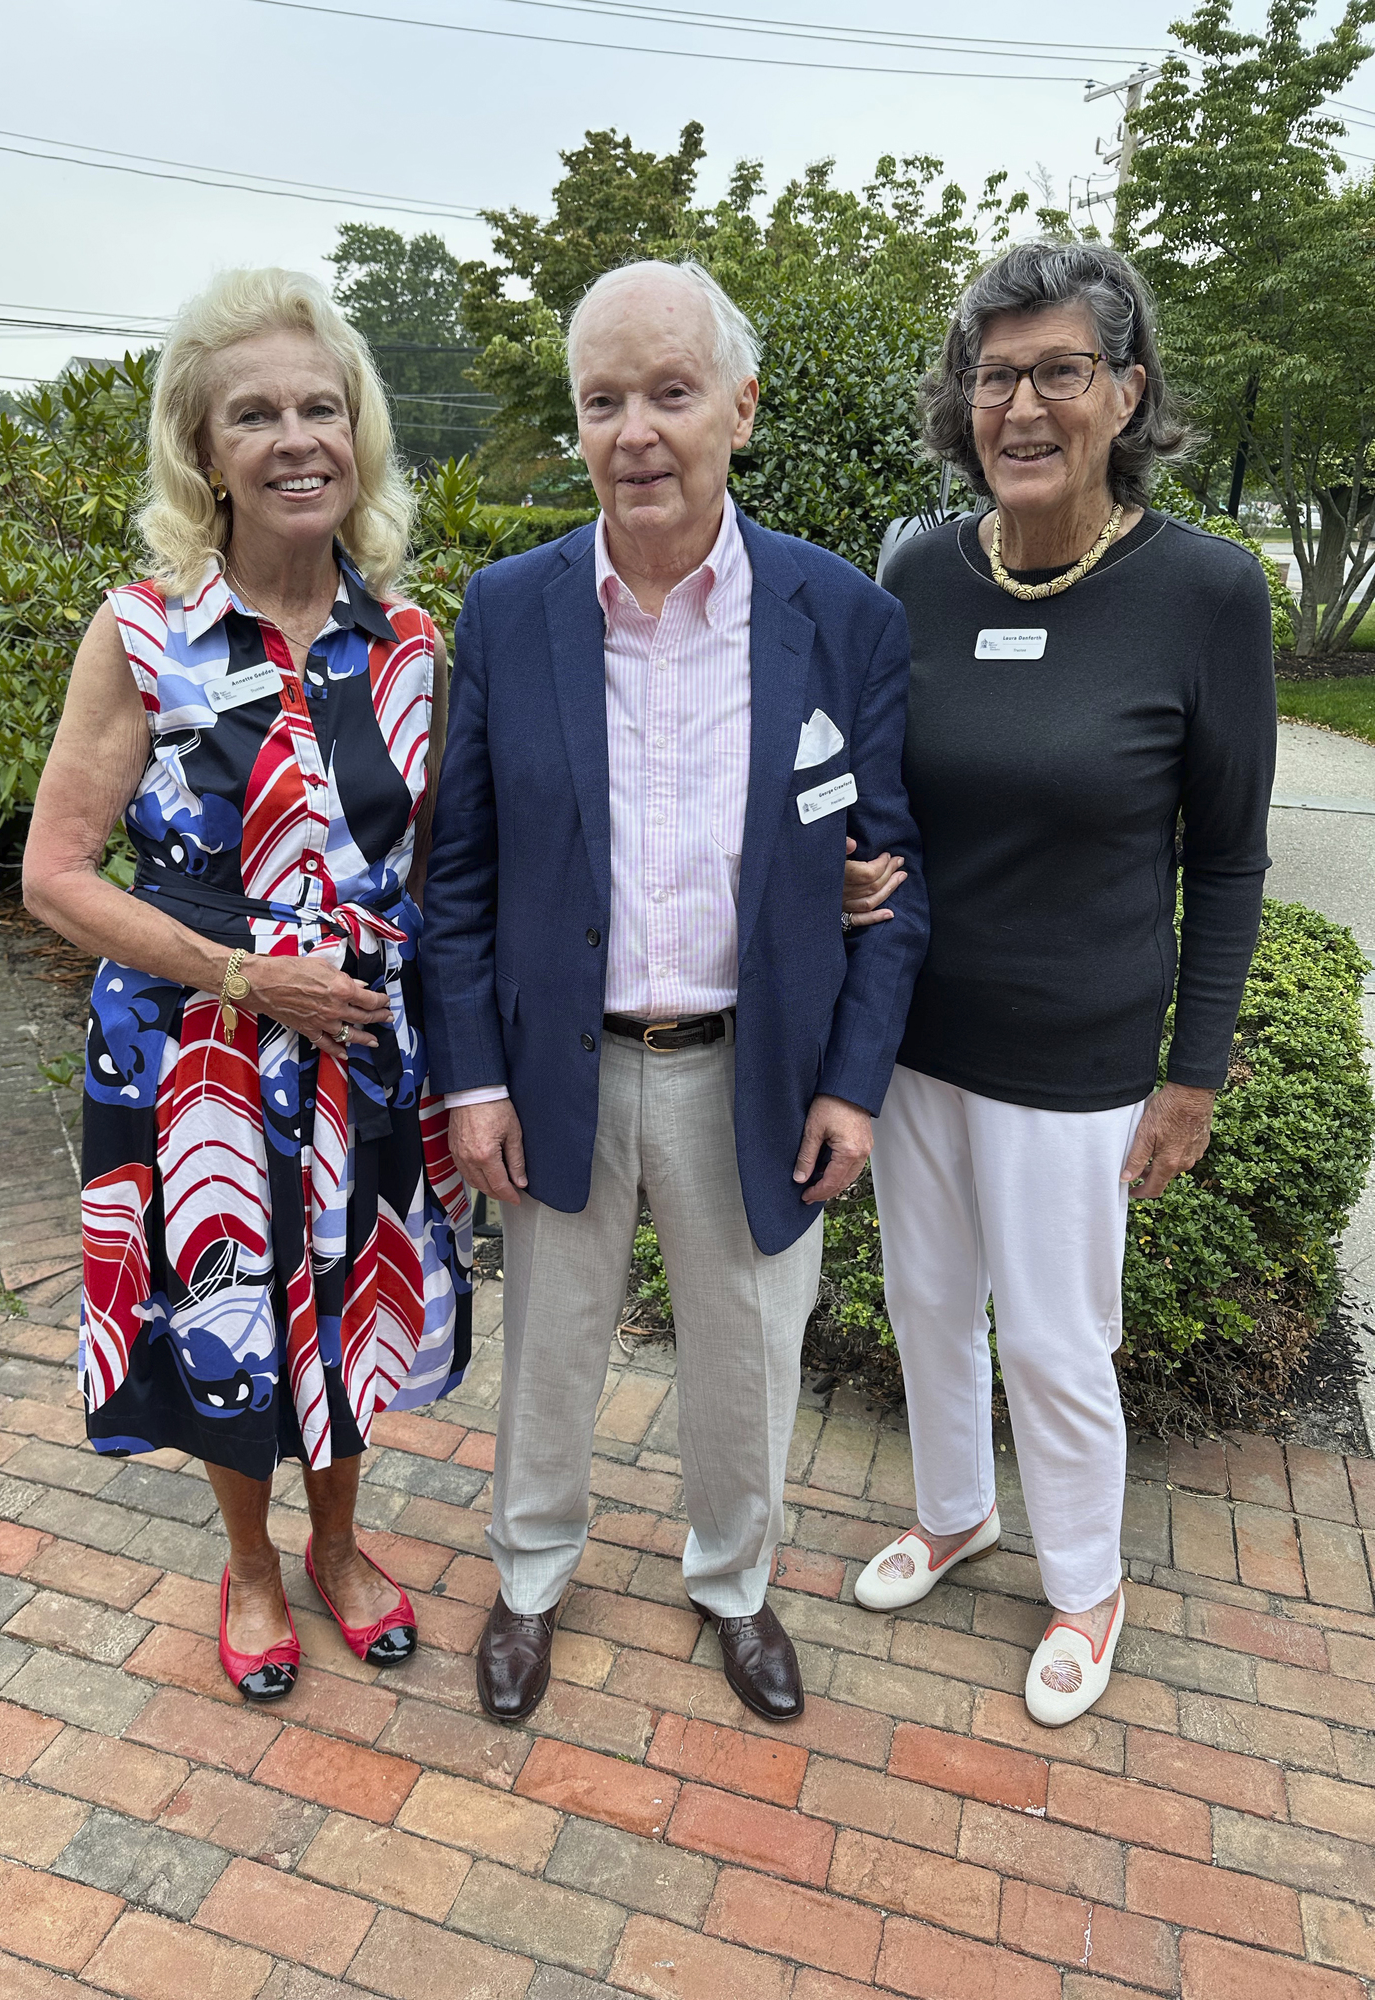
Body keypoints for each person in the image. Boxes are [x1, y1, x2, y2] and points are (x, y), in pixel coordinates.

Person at [421, 259, 928, 1725]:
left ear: (741, 408)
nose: (635, 430)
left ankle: (737, 1583)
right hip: (560, 1061)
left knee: (750, 1356)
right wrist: (471, 1082)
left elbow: (893, 880)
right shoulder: (510, 611)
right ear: (578, 425)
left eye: (671, 391)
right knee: (549, 1354)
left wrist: (852, 1080)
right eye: (603, 400)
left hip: (754, 1067)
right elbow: (460, 880)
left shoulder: (842, 617)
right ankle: (528, 1579)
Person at [23, 269, 472, 1703]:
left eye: (321, 407)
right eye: (256, 413)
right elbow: (58, 876)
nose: (296, 438)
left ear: (361, 435)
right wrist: (240, 974)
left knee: (350, 1309)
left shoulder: (413, 645)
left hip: (365, 1051)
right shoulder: (146, 632)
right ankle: (256, 1566)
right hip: (198, 1054)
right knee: (224, 1314)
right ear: (203, 451)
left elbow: (452, 870)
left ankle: (341, 1546)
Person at [849, 240, 1276, 1725]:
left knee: (1050, 1332)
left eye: (1059, 372)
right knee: (925, 1299)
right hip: (915, 1037)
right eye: (993, 374)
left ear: (1127, 393)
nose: (1020, 404)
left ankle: (1087, 1578)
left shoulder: (1205, 592)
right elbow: (873, 790)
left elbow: (1224, 858)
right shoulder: (917, 569)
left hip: (1079, 1053)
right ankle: (958, 1511)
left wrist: (1196, 1072)